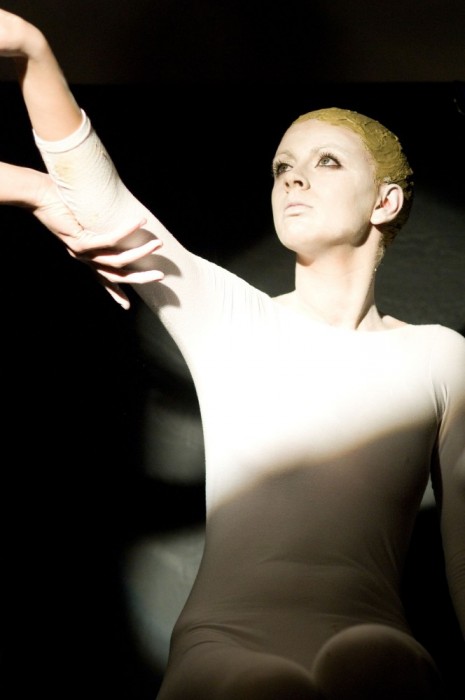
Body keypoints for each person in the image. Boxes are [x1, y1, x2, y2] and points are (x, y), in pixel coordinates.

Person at [0, 8, 464, 699]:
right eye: (282, 167)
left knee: (372, 659)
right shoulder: (231, 317)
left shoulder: (440, 357)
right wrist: (32, 55)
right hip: (223, 648)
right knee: (260, 685)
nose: (293, 179)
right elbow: (103, 204)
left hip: (377, 645)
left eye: (325, 161)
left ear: (385, 201)